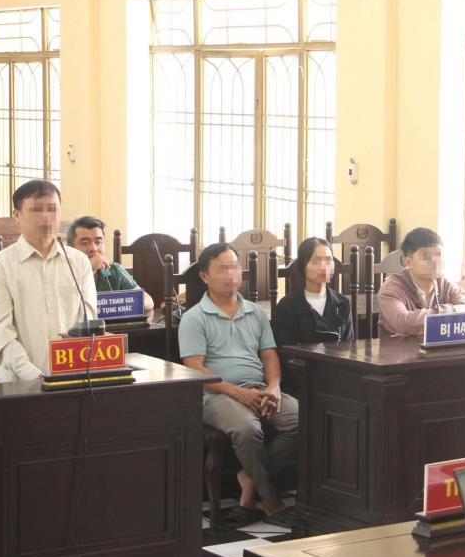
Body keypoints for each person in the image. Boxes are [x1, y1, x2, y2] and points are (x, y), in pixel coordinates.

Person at [180, 243, 298, 527]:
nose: (231, 274)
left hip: (257, 388)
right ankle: (270, 499)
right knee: (247, 428)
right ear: (204, 276)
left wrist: (273, 387)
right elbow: (194, 368)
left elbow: (269, 355)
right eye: (222, 268)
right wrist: (239, 394)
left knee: (301, 419)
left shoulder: (255, 312)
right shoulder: (194, 317)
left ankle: (250, 478)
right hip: (214, 394)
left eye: (235, 267)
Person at [0, 180, 96, 383]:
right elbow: (0, 335)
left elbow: (88, 321)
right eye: (36, 210)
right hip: (17, 385)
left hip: (72, 380)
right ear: (17, 215)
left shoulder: (78, 262)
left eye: (52, 209)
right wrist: (36, 377)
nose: (45, 217)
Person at [377, 227, 465, 337]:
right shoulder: (391, 289)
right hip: (399, 348)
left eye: (439, 256)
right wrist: (453, 311)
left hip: (439, 348)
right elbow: (403, 322)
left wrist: (416, 326)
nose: (435, 262)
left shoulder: (448, 285)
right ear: (408, 262)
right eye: (427, 257)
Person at [271, 237, 353, 346]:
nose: (324, 266)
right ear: (303, 266)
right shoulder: (286, 306)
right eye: (316, 261)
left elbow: (349, 347)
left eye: (328, 260)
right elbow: (285, 351)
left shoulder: (343, 304)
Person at [66, 215, 155, 310]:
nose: (93, 248)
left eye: (98, 242)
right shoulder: (62, 273)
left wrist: (116, 305)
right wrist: (89, 269)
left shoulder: (114, 270)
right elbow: (66, 307)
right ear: (70, 248)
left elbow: (148, 301)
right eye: (85, 243)